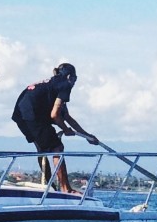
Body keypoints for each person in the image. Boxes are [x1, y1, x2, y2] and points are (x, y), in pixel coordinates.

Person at [11, 62, 98, 193]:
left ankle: (49, 187)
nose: (74, 82)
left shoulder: (53, 85)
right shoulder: (65, 85)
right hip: (32, 114)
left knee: (43, 149)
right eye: (75, 79)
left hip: (20, 115)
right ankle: (65, 188)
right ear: (69, 77)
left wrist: (87, 136)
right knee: (57, 148)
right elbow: (55, 115)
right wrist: (66, 129)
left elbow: (66, 117)